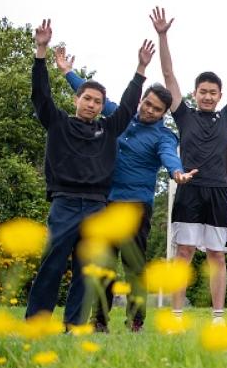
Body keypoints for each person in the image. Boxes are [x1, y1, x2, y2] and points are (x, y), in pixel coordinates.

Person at [55, 45, 197, 332]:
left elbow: (170, 155)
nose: (149, 110)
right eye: (148, 104)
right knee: (104, 264)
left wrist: (177, 172)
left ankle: (136, 319)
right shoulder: (121, 117)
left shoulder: (163, 136)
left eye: (157, 109)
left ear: (163, 114)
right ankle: (100, 321)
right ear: (142, 100)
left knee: (133, 266)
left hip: (136, 206)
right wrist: (68, 72)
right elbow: (92, 96)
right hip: (105, 202)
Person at [25, 19, 145, 327]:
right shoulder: (58, 123)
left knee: (86, 269)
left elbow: (129, 107)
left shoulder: (108, 130)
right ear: (77, 99)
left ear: (102, 106)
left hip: (95, 206)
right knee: (52, 265)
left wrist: (140, 70)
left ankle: (75, 326)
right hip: (64, 204)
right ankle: (35, 323)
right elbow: (40, 95)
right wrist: (41, 51)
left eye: (97, 101)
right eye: (87, 98)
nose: (91, 104)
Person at [151, 6, 227, 325]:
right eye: (203, 92)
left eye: (213, 93)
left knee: (216, 256)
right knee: (183, 254)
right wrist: (163, 36)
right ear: (195, 93)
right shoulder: (183, 115)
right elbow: (169, 75)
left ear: (219, 95)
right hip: (188, 190)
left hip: (218, 193)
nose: (208, 97)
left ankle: (217, 316)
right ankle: (175, 314)